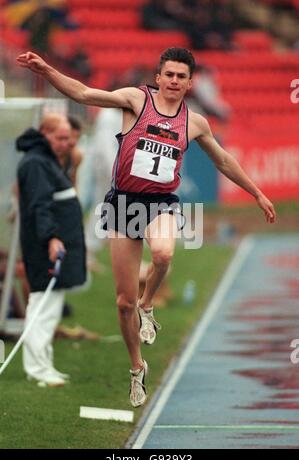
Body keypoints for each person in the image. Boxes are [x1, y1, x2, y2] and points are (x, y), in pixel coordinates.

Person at [16, 47, 276, 405]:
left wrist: (257, 193)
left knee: (165, 254)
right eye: (168, 74)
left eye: (181, 76)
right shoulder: (135, 101)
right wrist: (46, 70)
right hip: (122, 203)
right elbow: (84, 93)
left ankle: (148, 305)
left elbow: (224, 160)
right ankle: (137, 368)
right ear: (158, 77)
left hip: (160, 204)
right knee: (123, 304)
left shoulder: (195, 122)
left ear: (189, 83)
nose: (174, 81)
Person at [16, 113, 86, 387]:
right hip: (44, 244)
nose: (67, 143)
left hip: (53, 240)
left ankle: (44, 364)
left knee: (50, 306)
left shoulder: (45, 160)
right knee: (43, 306)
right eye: (60, 138)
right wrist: (51, 238)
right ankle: (37, 368)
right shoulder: (36, 162)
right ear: (44, 133)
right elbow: (40, 205)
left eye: (69, 138)